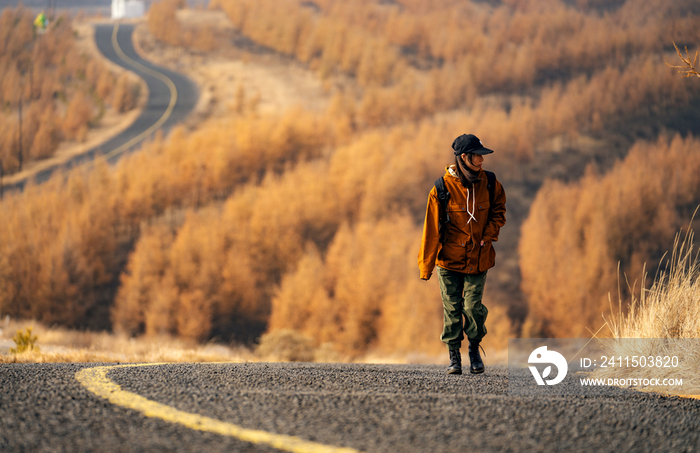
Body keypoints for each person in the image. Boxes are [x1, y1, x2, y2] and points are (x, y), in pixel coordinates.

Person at [418, 134, 506, 375]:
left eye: (482, 156)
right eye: (478, 156)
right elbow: (431, 230)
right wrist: (426, 266)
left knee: (473, 306)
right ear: (464, 158)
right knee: (452, 308)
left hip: (479, 258)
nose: (482, 160)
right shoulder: (441, 188)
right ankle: (454, 356)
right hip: (448, 261)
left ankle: (474, 347)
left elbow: (499, 211)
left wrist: (488, 235)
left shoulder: (490, 183)